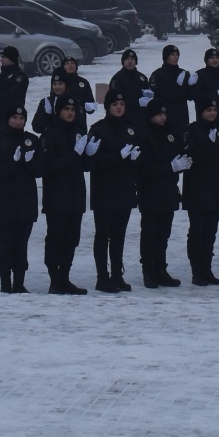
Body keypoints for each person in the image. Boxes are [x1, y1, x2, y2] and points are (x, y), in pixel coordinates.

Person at [87, 92, 142, 292]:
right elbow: (92, 162)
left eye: (121, 104)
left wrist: (136, 159)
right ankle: (102, 276)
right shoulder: (98, 129)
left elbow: (138, 159)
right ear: (107, 107)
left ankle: (117, 274)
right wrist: (117, 156)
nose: (119, 107)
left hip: (125, 188)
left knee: (119, 234)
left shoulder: (132, 129)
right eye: (115, 104)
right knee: (103, 234)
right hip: (104, 189)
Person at [39, 95, 90, 294]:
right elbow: (50, 166)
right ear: (58, 111)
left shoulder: (79, 132)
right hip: (56, 195)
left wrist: (89, 155)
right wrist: (74, 155)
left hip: (75, 193)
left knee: (71, 238)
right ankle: (55, 279)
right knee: (56, 238)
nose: (70, 112)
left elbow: (84, 165)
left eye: (72, 109)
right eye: (66, 109)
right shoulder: (50, 134)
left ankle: (65, 277)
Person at [0, 105, 41, 292]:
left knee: (22, 245)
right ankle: (4, 283)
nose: (18, 121)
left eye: (21, 118)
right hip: (5, 201)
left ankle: (19, 283)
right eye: (14, 117)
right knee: (7, 245)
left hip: (26, 201)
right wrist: (13, 163)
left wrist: (30, 163)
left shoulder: (32, 140)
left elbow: (40, 170)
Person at [134, 99, 182, 287]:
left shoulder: (170, 133)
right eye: (158, 114)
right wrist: (169, 167)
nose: (162, 118)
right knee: (150, 233)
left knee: (164, 233)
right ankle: (148, 270)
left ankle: (161, 268)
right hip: (150, 191)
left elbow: (178, 154)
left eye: (164, 114)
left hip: (169, 190)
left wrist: (180, 165)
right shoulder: (144, 135)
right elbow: (143, 168)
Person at [181, 96, 219, 286]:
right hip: (197, 189)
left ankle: (207, 269)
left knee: (210, 232)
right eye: (208, 110)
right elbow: (190, 160)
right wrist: (208, 144)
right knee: (197, 231)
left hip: (216, 187)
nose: (212, 114)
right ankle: (196, 271)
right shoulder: (191, 131)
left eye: (214, 110)